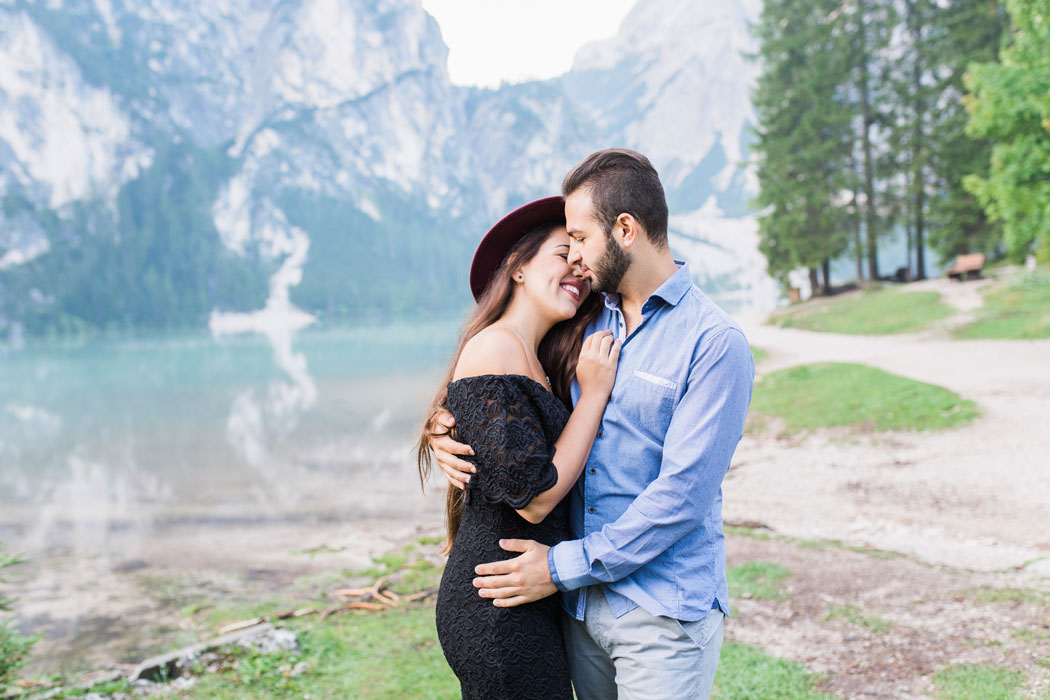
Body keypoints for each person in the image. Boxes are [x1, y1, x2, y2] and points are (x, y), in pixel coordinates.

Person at [429, 148, 755, 699]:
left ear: (624, 229)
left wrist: (560, 567)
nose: (577, 258)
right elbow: (503, 392)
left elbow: (681, 496)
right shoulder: (579, 323)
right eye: (569, 244)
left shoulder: (715, 344)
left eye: (580, 238)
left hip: (659, 609)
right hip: (577, 611)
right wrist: (444, 426)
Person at [417, 196, 621, 700]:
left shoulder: (534, 358)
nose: (578, 268)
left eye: (583, 263)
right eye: (561, 254)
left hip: (524, 597)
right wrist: (593, 395)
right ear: (518, 268)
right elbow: (534, 498)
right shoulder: (495, 346)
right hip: (497, 605)